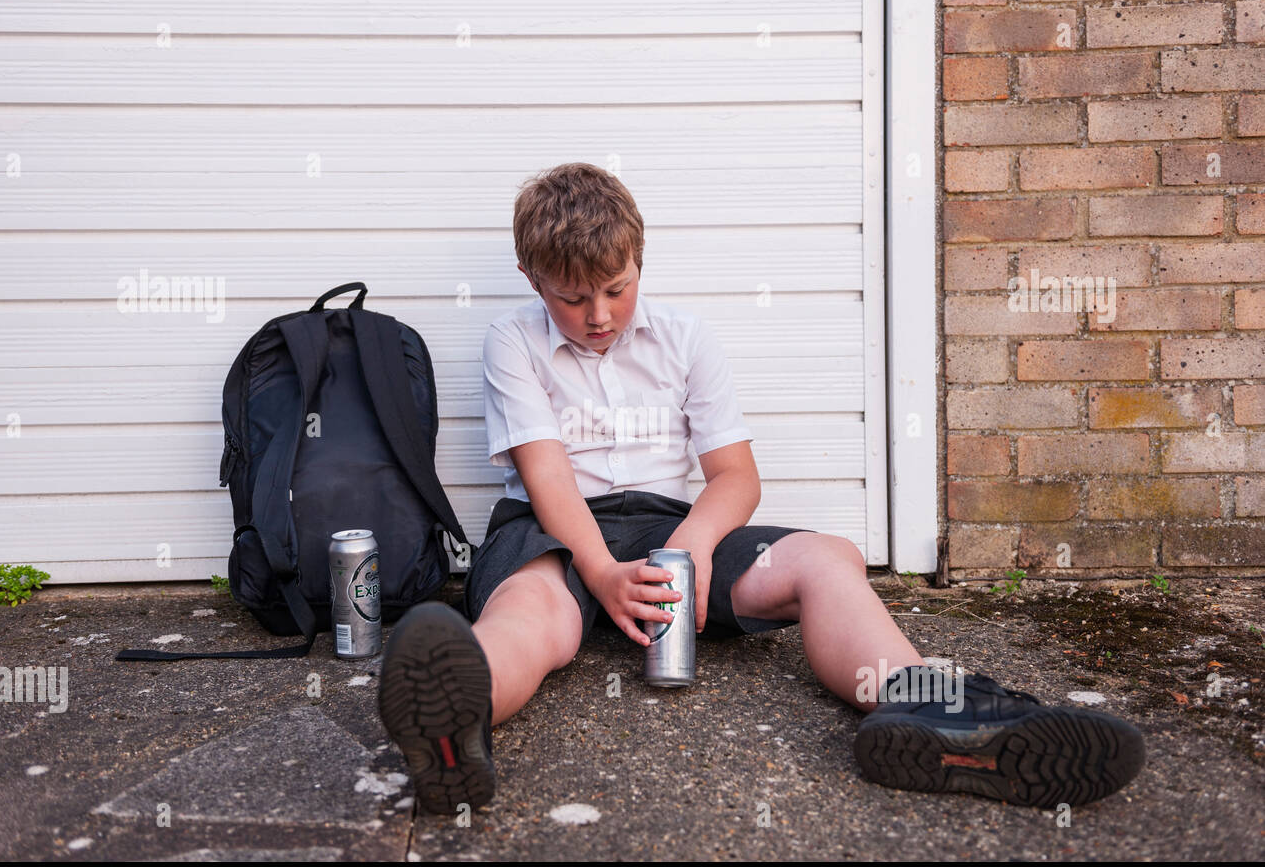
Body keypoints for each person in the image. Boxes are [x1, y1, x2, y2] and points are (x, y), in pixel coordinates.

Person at [378, 163, 1145, 815]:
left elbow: (734, 476)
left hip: (664, 531)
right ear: (531, 279)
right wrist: (601, 572)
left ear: (640, 259)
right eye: (572, 299)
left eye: (615, 288)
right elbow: (547, 476)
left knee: (825, 557)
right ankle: (451, 733)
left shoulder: (685, 339)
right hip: (553, 528)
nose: (599, 315)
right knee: (535, 614)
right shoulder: (513, 340)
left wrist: (691, 548)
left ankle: (939, 717)